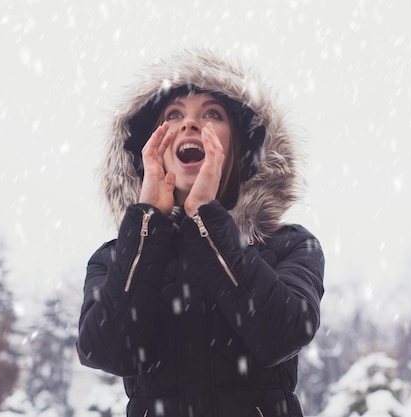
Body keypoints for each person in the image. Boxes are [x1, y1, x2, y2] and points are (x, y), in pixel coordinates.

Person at [76, 48, 325, 417]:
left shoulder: (289, 245)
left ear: (238, 148)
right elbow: (106, 351)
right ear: (153, 150)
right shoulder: (116, 256)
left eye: (212, 114)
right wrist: (145, 224)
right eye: (173, 114)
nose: (189, 124)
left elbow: (281, 335)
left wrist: (207, 218)